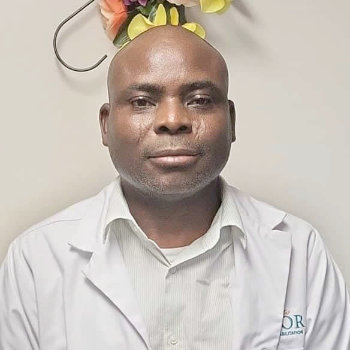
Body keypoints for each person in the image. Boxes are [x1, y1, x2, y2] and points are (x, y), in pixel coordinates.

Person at [0, 25, 349, 350]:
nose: (173, 120)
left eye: (199, 100)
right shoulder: (37, 260)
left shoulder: (301, 253)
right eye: (142, 101)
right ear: (106, 125)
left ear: (231, 122)